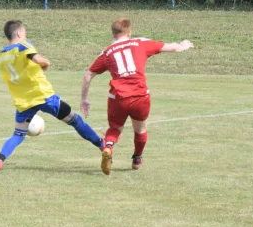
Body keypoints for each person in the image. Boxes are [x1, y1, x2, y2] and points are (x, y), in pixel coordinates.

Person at [0, 20, 104, 174]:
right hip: (43, 96)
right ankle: (103, 145)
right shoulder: (24, 45)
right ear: (18, 33)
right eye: (24, 32)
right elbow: (38, 59)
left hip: (23, 101)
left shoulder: (1, 56)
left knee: (18, 134)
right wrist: (46, 63)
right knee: (75, 120)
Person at [80, 17, 194, 175]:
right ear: (130, 32)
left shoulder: (106, 52)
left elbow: (88, 76)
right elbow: (172, 48)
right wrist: (183, 45)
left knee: (114, 128)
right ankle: (137, 159)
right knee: (140, 129)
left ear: (113, 34)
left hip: (118, 98)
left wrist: (84, 99)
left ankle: (108, 147)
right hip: (140, 96)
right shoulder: (140, 43)